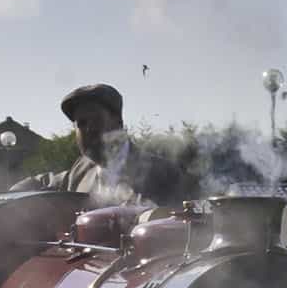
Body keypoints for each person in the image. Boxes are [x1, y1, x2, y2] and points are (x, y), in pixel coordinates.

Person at [23, 84, 187, 209]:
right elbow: (44, 182)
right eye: (81, 123)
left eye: (96, 119)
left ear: (119, 123)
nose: (88, 129)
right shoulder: (79, 171)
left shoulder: (164, 174)